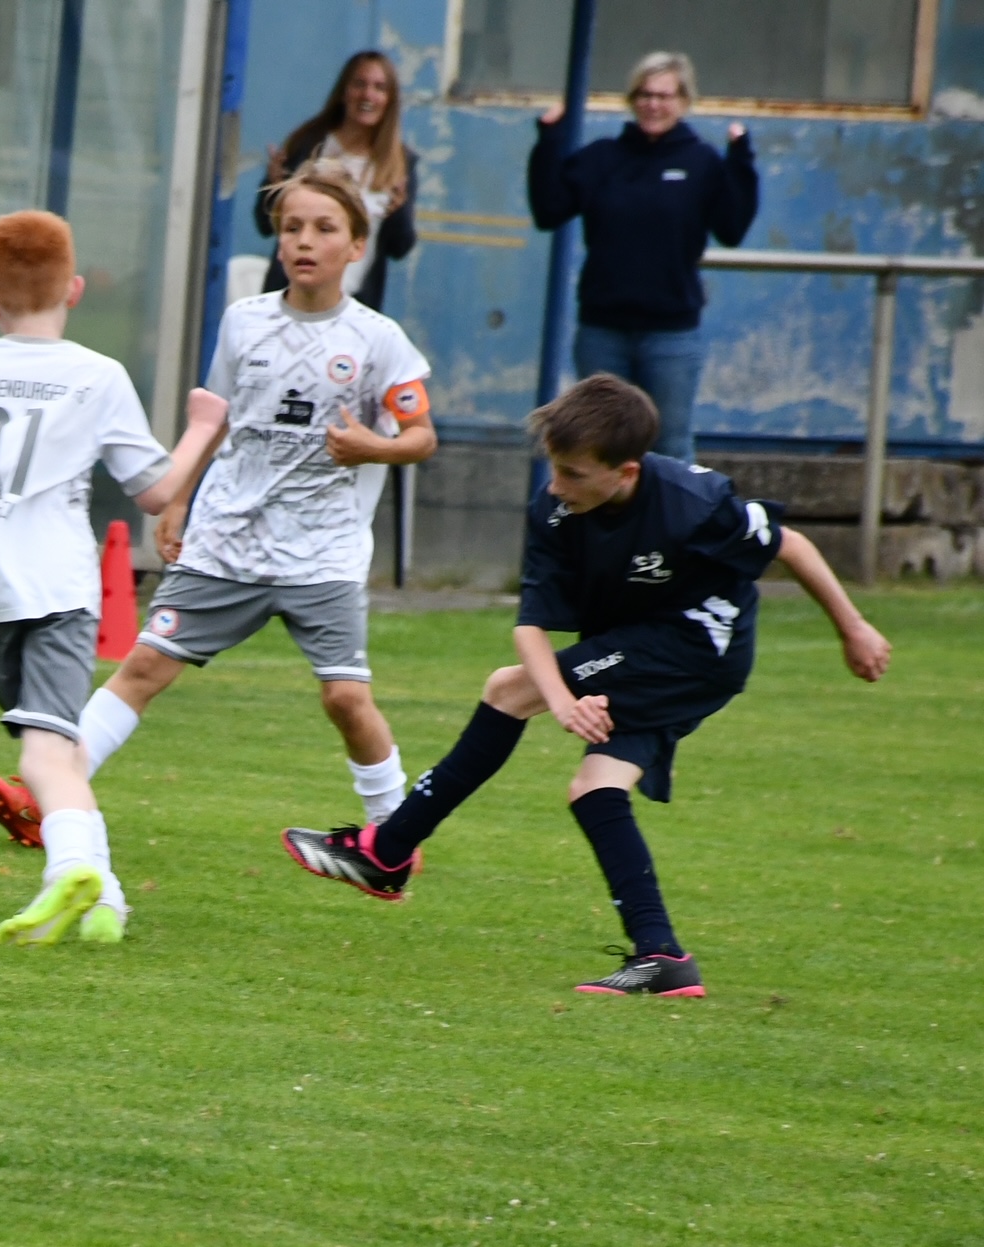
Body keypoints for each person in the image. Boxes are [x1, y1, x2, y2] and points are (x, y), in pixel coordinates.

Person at [281, 375, 891, 996]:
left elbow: (791, 546)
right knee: (594, 789)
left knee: (507, 690)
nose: (555, 485)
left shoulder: (694, 501)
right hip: (637, 643)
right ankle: (663, 957)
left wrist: (854, 628)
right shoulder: (555, 510)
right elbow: (531, 627)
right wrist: (565, 698)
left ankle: (387, 851)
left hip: (698, 649)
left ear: (626, 473)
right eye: (554, 467)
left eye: (573, 474)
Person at [0, 160, 437, 856]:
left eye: (324, 228)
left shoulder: (379, 340)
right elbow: (217, 417)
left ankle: (395, 835)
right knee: (143, 668)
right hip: (228, 538)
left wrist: (374, 446)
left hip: (323, 552)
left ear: (356, 245)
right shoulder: (245, 322)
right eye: (292, 227)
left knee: (346, 699)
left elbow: (422, 437)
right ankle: (47, 796)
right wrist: (178, 502)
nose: (304, 241)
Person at [0, 211, 227, 946]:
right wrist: (203, 427)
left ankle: (109, 900)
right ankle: (69, 868)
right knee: (50, 754)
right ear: (73, 289)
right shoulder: (98, 376)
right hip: (56, 587)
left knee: (58, 747)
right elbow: (155, 491)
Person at [528, 51, 758, 464]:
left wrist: (741, 160)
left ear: (683, 101)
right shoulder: (603, 158)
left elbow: (732, 229)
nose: (653, 105)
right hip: (603, 332)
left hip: (671, 335)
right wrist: (549, 140)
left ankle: (670, 511)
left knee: (669, 447)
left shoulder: (701, 162)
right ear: (632, 100)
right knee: (599, 445)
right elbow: (549, 209)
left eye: (664, 96)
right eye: (645, 95)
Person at [254, 50, 415, 313]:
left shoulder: (399, 163)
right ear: (343, 92)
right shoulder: (308, 143)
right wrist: (274, 189)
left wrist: (398, 213)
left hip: (352, 307)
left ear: (390, 100)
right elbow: (264, 224)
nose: (368, 95)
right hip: (291, 301)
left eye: (379, 88)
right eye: (359, 84)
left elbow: (400, 248)